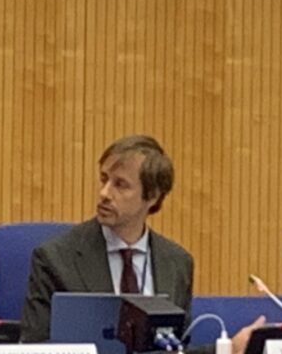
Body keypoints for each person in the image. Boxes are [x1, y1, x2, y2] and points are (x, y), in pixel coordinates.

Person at [18, 135, 262, 352]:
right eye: (104, 179)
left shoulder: (177, 264)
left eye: (120, 184)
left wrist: (228, 350)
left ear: (152, 196)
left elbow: (176, 349)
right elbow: (34, 347)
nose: (104, 193)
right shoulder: (56, 259)